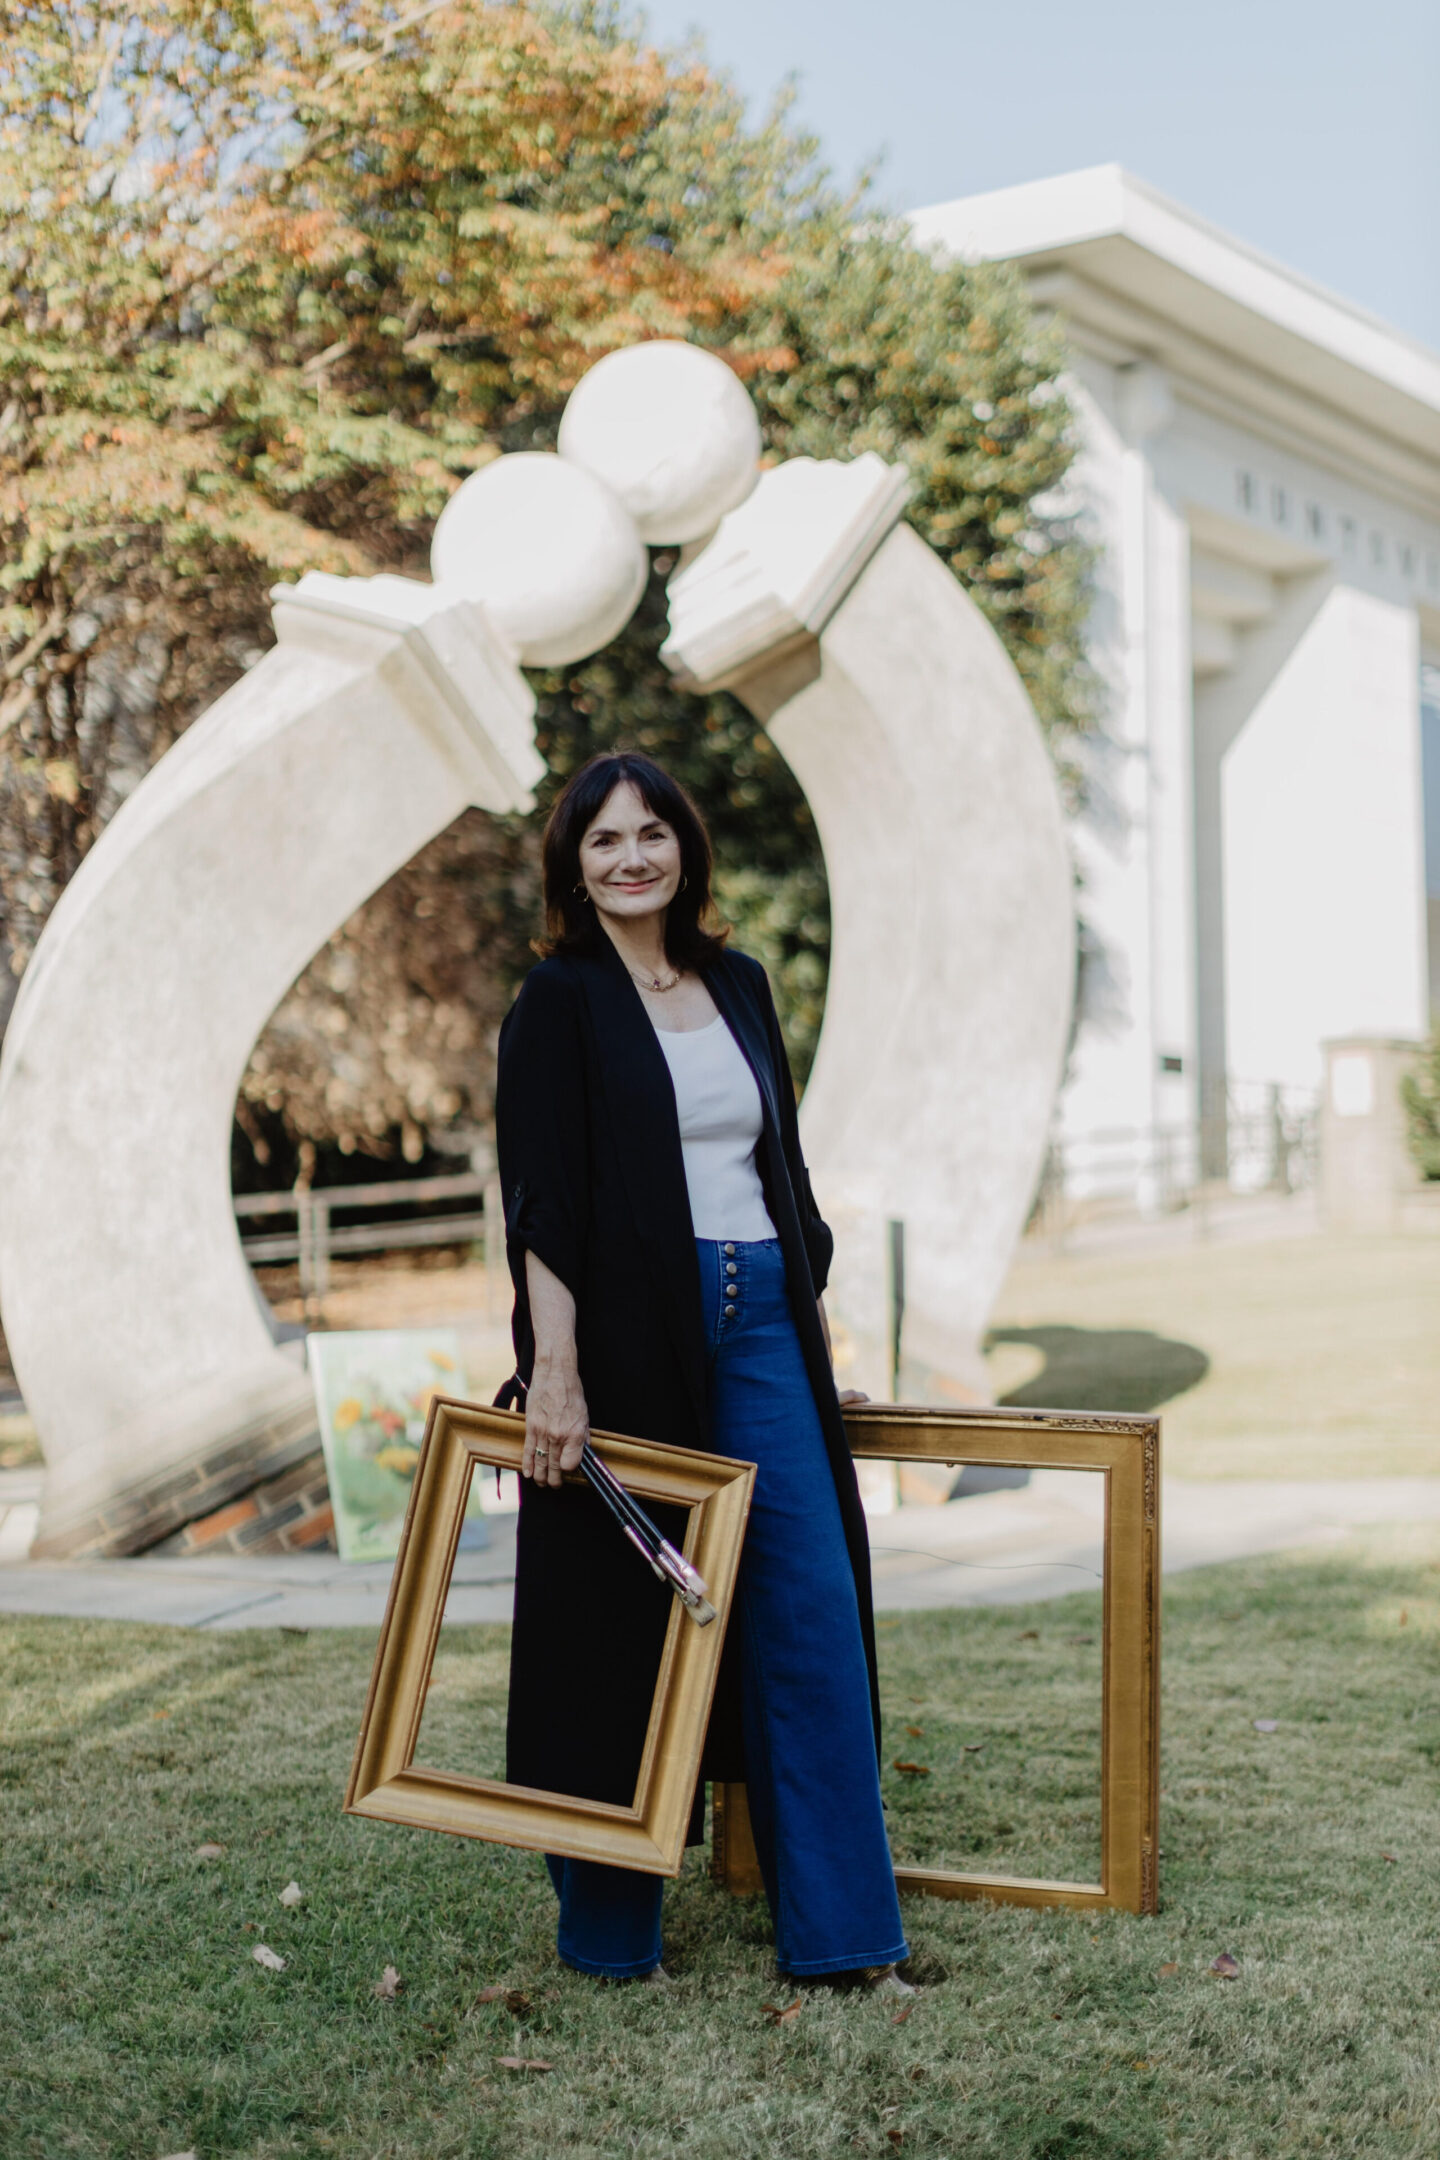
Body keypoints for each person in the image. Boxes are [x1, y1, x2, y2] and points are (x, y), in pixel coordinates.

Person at [494, 749, 909, 1992]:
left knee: (810, 1618)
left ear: (686, 848)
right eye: (604, 840)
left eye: (652, 834)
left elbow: (781, 1169)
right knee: (626, 1627)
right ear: (575, 863)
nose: (631, 857)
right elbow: (545, 1206)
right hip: (625, 1336)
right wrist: (554, 1371)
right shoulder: (555, 1004)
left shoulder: (739, 984)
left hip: (766, 1318)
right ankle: (613, 1940)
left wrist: (819, 1345)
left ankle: (845, 1942)